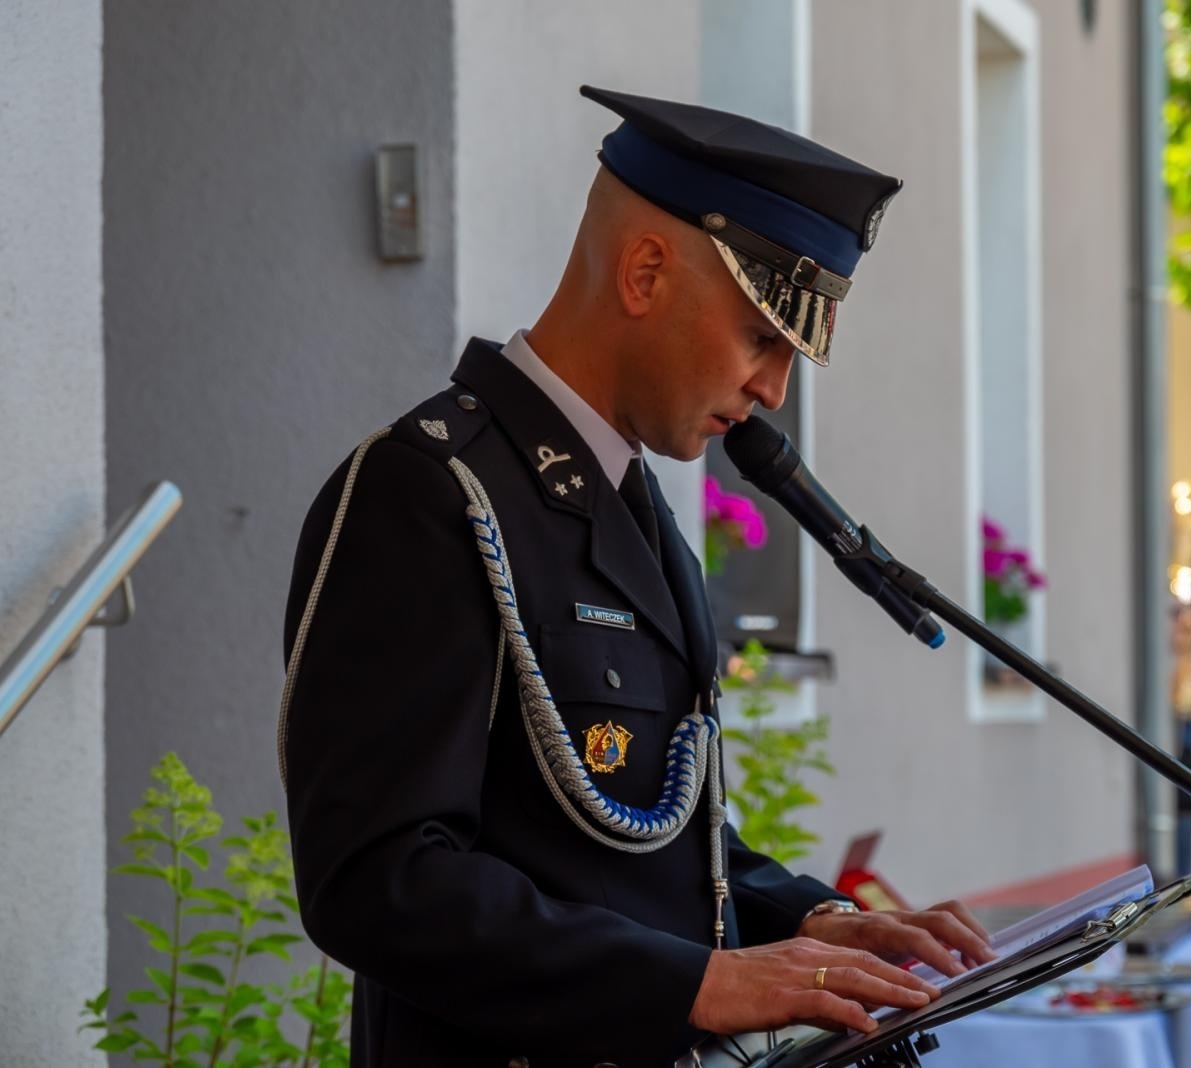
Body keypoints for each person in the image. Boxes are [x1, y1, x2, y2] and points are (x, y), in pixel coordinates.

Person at [277, 86, 992, 1067]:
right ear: (646, 272)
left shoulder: (639, 517)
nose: (772, 389)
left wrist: (812, 921)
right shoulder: (429, 492)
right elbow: (375, 880)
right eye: (761, 338)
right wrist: (696, 986)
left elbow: (650, 845)